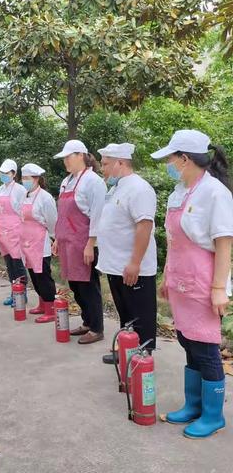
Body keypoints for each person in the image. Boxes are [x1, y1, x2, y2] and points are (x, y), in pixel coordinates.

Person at [151, 130, 233, 439]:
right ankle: (193, 405)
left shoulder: (214, 193)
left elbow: (224, 243)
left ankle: (213, 416)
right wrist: (166, 276)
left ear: (185, 159)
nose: (168, 163)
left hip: (202, 282)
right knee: (188, 342)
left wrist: (218, 289)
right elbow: (174, 242)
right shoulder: (179, 192)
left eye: (171, 158)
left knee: (206, 348)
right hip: (181, 281)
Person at [96, 143, 158, 363]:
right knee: (126, 314)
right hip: (115, 265)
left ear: (120, 162)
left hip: (133, 267)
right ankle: (127, 351)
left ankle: (142, 357)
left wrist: (134, 262)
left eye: (105, 164)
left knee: (139, 315)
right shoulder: (116, 187)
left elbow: (144, 225)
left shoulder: (139, 189)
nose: (101, 169)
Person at [52, 140, 106, 344]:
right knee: (75, 284)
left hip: (84, 242)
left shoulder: (93, 181)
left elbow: (97, 216)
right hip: (67, 242)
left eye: (68, 156)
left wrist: (91, 244)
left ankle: (97, 327)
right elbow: (62, 213)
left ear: (80, 155)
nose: (65, 161)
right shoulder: (67, 181)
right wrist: (57, 238)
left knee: (88, 285)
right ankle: (86, 321)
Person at [19, 163, 58, 323]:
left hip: (40, 242)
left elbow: (52, 220)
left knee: (43, 276)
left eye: (27, 178)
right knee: (34, 275)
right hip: (27, 242)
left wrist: (54, 237)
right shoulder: (25, 195)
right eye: (23, 178)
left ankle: (51, 309)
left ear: (36, 179)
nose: (24, 181)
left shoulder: (45, 197)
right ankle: (42, 304)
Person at [0, 159, 28, 306]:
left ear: (14, 174)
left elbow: (24, 212)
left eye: (6, 173)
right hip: (2, 231)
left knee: (18, 263)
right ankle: (13, 291)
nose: (3, 175)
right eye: (1, 173)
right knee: (9, 264)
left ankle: (21, 294)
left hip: (15, 231)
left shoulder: (20, 190)